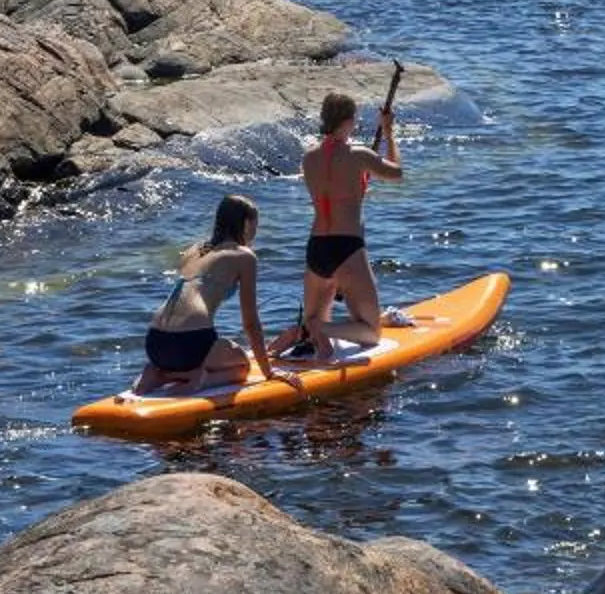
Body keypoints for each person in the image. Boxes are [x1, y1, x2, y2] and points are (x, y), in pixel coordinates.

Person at [289, 88, 406, 360]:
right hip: (347, 247)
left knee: (319, 328)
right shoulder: (359, 155)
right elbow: (397, 173)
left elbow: (333, 189)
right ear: (349, 120)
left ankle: (317, 333)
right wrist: (388, 132)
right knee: (371, 332)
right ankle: (320, 327)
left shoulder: (309, 159)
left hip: (316, 247)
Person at [136, 193, 281, 392]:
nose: (256, 231)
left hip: (155, 342)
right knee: (242, 366)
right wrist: (269, 373)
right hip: (190, 343)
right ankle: (198, 378)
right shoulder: (244, 256)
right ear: (246, 223)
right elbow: (250, 322)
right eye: (256, 224)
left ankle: (160, 374)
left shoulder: (194, 250)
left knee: (195, 352)